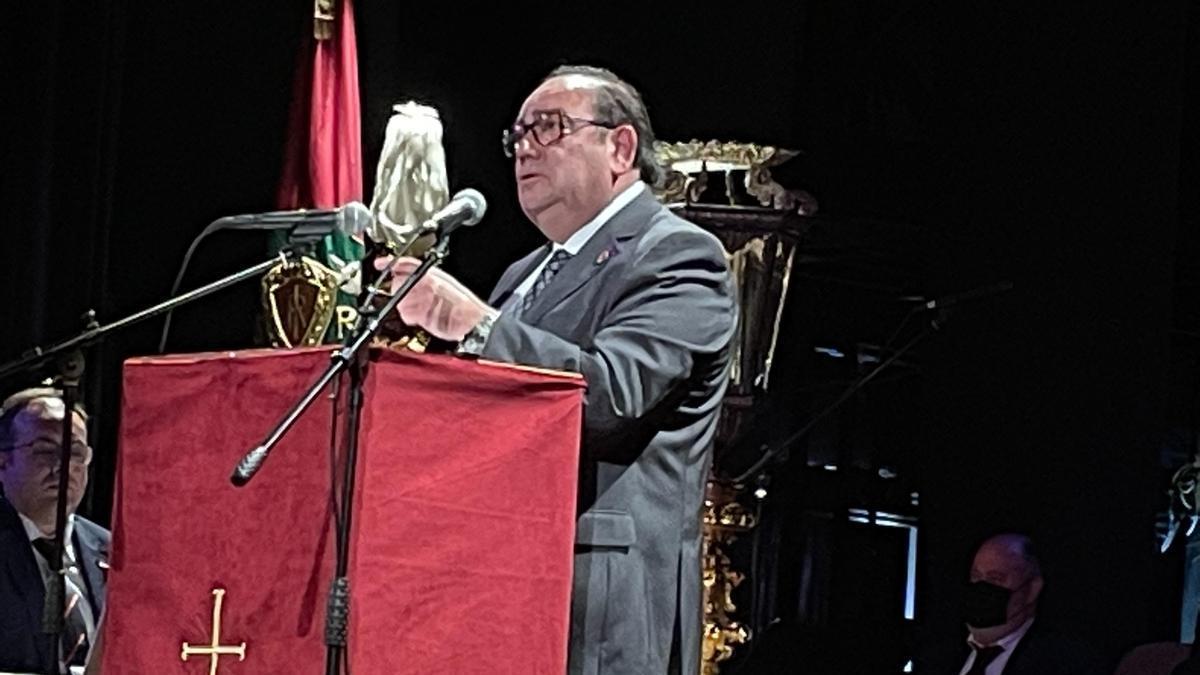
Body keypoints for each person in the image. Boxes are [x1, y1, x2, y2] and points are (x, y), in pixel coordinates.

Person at [377, 64, 738, 674]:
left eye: (549, 128)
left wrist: (478, 325)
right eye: (517, 134)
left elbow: (610, 397)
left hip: (593, 598)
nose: (525, 149)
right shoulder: (523, 275)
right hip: (491, 580)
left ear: (620, 146)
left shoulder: (679, 255)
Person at [0, 387, 109, 674]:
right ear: (2, 461)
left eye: (75, 452)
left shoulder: (114, 551)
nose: (62, 466)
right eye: (45, 450)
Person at [955, 533, 1104, 675]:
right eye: (976, 576)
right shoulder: (940, 650)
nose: (982, 588)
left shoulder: (1065, 662)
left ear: (1032, 589)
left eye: (996, 579)